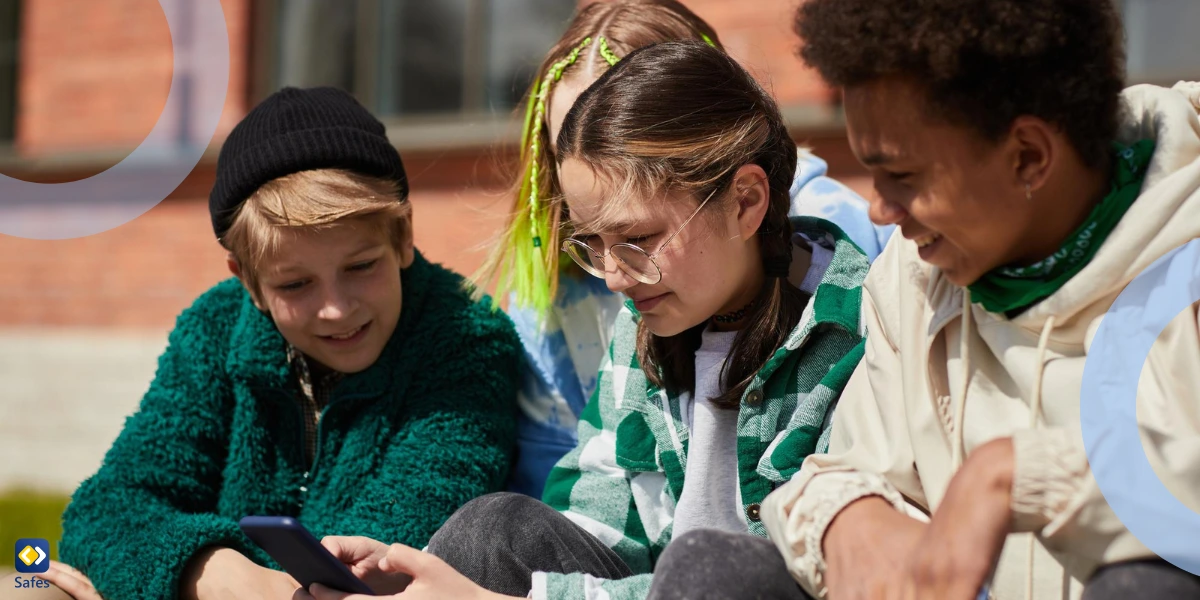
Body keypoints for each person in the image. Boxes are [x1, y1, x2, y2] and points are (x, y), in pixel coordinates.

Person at [298, 40, 871, 600]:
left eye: (638, 239)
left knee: (713, 567)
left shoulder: (859, 330)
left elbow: (793, 576)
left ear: (746, 201)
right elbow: (599, 524)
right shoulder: (647, 322)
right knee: (493, 530)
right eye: (593, 243)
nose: (615, 277)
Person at [3, 87, 522, 600]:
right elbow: (107, 508)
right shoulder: (217, 325)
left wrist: (202, 579)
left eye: (361, 267)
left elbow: (378, 558)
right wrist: (215, 572)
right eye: (295, 285)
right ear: (247, 281)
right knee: (23, 587)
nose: (336, 309)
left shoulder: (468, 341)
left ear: (404, 236)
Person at [760, 1, 1200, 599]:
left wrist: (1017, 475)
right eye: (871, 172)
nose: (878, 210)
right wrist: (848, 514)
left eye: (904, 177)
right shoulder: (910, 276)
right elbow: (844, 470)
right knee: (718, 564)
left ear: (1028, 156)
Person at [475, 0, 891, 498]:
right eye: (568, 139)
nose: (614, 275)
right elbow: (582, 504)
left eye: (624, 118)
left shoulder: (840, 288)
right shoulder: (618, 320)